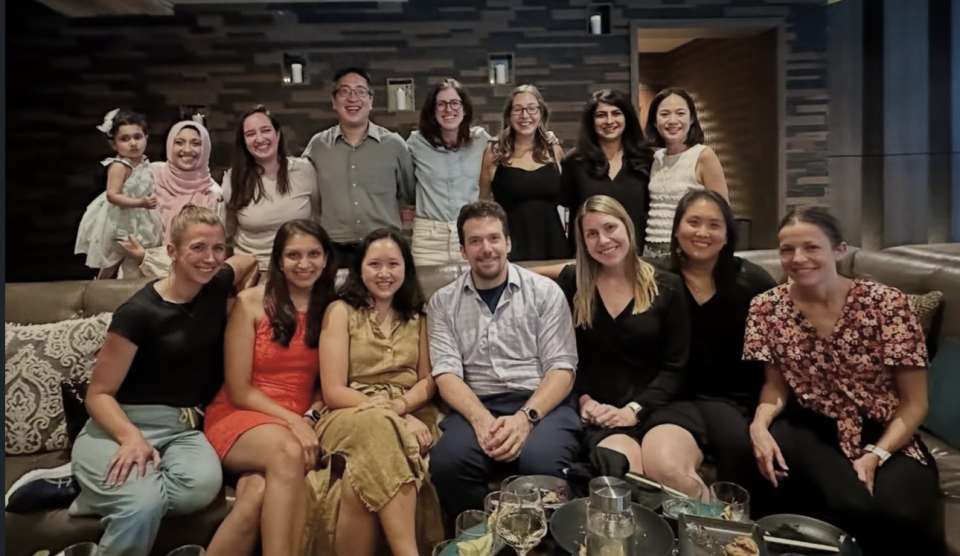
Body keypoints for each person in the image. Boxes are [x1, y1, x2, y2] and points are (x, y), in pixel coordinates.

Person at [743, 207, 944, 555]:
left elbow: (915, 403)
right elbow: (774, 388)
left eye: (811, 247)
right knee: (844, 506)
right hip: (809, 425)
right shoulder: (765, 308)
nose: (798, 258)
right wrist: (759, 426)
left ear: (839, 250)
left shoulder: (887, 304)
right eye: (787, 249)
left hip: (885, 430)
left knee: (903, 514)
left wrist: (876, 454)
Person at [69, 205, 256, 556]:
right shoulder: (139, 313)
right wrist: (130, 438)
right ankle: (104, 483)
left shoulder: (216, 285)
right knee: (142, 503)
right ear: (171, 251)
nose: (210, 258)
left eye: (218, 248)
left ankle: (90, 489)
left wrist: (238, 304)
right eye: (198, 247)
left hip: (184, 429)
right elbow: (99, 393)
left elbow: (247, 262)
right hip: (123, 423)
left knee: (198, 489)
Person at [428, 200, 580, 519]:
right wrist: (481, 419)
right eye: (475, 240)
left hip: (541, 403)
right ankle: (479, 543)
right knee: (448, 462)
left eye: (494, 238)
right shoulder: (442, 303)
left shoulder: (545, 292)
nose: (486, 248)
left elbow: (562, 368)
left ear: (508, 242)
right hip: (477, 404)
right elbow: (446, 374)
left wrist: (525, 418)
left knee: (541, 464)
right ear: (462, 249)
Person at [302, 228, 443, 556]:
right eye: (374, 264)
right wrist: (393, 415)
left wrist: (402, 406)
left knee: (358, 481)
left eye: (393, 264)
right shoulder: (340, 311)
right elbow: (334, 390)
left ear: (406, 268)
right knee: (380, 428)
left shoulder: (417, 315)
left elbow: (428, 380)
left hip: (410, 410)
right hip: (349, 412)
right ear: (359, 268)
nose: (384, 273)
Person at [203, 219, 336, 556]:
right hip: (241, 415)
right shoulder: (250, 303)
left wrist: (308, 417)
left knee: (255, 498)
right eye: (293, 255)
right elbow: (239, 389)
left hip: (296, 420)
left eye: (313, 254)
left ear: (325, 258)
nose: (304, 264)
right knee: (288, 452)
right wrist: (292, 423)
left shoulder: (335, 308)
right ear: (278, 260)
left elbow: (330, 382)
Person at [638, 190, 776, 505]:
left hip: (733, 402)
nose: (702, 232)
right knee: (666, 466)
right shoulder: (651, 275)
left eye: (714, 225)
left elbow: (780, 349)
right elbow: (590, 270)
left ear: (728, 234)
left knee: (743, 462)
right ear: (676, 229)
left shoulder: (753, 281)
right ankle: (709, 531)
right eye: (694, 222)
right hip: (670, 400)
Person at [544, 195, 689, 475]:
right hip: (602, 413)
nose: (603, 240)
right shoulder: (573, 285)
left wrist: (633, 409)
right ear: (583, 242)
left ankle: (713, 520)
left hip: (659, 408)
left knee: (669, 469)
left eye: (610, 228)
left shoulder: (667, 285)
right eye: (592, 234)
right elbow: (563, 357)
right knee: (626, 471)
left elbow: (676, 367)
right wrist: (584, 400)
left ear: (627, 227)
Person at [302, 67, 415, 269]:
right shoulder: (318, 146)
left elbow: (409, 194)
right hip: (334, 250)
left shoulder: (395, 145)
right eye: (344, 91)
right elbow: (306, 192)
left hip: (385, 248)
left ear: (371, 101)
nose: (353, 98)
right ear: (334, 101)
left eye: (360, 91)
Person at [117, 120, 225, 279]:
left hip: (187, 281)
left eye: (196, 143)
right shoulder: (149, 175)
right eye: (179, 142)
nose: (187, 149)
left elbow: (208, 252)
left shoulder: (214, 194)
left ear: (206, 149)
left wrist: (146, 257)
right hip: (135, 274)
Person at [479, 85, 570, 261]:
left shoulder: (554, 149)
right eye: (518, 109)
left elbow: (569, 198)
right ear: (508, 115)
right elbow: (483, 206)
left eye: (531, 108)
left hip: (553, 246)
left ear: (541, 113)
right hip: (511, 248)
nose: (525, 115)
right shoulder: (494, 152)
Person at [224, 105, 319, 272]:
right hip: (253, 270)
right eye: (250, 134)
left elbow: (317, 216)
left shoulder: (305, 170)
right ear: (244, 142)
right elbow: (228, 232)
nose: (259, 139)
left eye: (265, 130)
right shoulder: (233, 179)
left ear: (278, 134)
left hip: (300, 268)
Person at [407, 78, 491, 266]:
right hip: (428, 238)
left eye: (454, 103)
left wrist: (547, 136)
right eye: (441, 104)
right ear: (432, 110)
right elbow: (404, 180)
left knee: (472, 292)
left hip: (470, 232)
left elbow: (511, 147)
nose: (448, 109)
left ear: (465, 108)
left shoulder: (481, 140)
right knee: (427, 295)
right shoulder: (416, 142)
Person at [561, 89, 653, 254]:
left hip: (635, 257)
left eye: (616, 113)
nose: (609, 120)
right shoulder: (574, 162)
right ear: (591, 121)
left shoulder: (647, 159)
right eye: (601, 115)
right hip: (588, 257)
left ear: (627, 117)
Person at [75, 108, 163, 279]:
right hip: (120, 218)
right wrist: (141, 202)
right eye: (125, 139)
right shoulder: (119, 166)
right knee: (113, 257)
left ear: (146, 138)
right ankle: (100, 285)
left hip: (140, 216)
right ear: (114, 144)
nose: (133, 143)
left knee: (138, 255)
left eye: (137, 137)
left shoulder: (144, 163)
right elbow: (112, 195)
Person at [643, 87, 728, 257]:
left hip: (686, 251)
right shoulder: (656, 157)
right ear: (654, 121)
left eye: (680, 113)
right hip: (650, 251)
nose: (673, 120)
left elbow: (723, 212)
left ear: (692, 120)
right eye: (665, 114)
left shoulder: (703, 155)